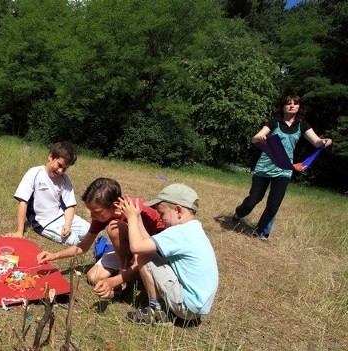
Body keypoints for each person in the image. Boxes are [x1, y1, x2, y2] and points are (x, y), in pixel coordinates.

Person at [37, 178, 165, 299]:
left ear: (115, 205)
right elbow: (83, 246)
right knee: (94, 277)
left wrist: (113, 281)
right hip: (131, 251)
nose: (92, 215)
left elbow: (141, 258)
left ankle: (128, 277)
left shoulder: (137, 212)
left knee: (114, 228)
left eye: (96, 211)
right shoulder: (101, 215)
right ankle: (124, 269)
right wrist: (54, 255)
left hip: (152, 253)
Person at [232, 95, 332, 240]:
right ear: (283, 107)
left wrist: (325, 141)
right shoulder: (274, 123)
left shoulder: (303, 125)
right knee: (254, 198)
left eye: (295, 103)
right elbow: (255, 138)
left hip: (284, 169)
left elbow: (317, 142)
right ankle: (239, 213)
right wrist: (259, 138)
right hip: (264, 167)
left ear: (299, 107)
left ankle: (261, 233)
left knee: (274, 204)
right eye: (288, 103)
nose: (292, 106)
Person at [121, 183, 218, 324]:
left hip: (187, 307)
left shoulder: (179, 233)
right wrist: (137, 218)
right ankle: (164, 308)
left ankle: (156, 311)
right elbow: (147, 243)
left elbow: (137, 247)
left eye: (162, 214)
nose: (160, 219)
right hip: (197, 308)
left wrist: (130, 218)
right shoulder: (192, 229)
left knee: (143, 256)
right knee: (148, 253)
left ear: (178, 210)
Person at [5, 141, 90, 245]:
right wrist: (19, 231)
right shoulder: (34, 173)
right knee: (74, 240)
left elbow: (70, 206)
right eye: (59, 165)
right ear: (50, 156)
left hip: (61, 216)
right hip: (43, 221)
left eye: (65, 169)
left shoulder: (64, 179)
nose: (60, 171)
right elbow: (23, 202)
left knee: (88, 230)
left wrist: (67, 225)